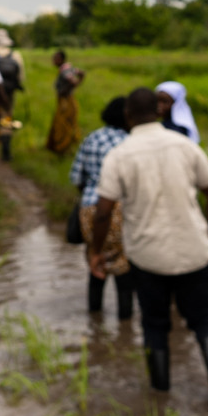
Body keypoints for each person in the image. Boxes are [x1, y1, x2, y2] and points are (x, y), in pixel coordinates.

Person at [92, 87, 208, 413]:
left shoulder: (120, 155)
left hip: (148, 256)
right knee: (206, 322)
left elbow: (102, 211)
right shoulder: (185, 146)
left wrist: (96, 252)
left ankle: (160, 395)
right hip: (194, 251)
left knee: (155, 325)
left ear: (127, 116)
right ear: (158, 111)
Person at [70, 96, 133, 320]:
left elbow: (77, 177)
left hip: (89, 208)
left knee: (96, 261)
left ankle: (94, 322)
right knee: (123, 268)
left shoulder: (91, 139)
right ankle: (125, 327)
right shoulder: (130, 142)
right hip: (121, 210)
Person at [45, 50, 86, 156]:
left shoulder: (65, 71)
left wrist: (70, 87)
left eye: (56, 59)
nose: (54, 61)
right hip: (67, 100)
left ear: (62, 59)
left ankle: (62, 149)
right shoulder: (69, 68)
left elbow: (72, 81)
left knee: (63, 125)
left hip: (66, 101)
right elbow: (81, 73)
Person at [0, 28, 25, 116]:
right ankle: (7, 125)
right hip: (10, 88)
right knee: (8, 108)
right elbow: (20, 75)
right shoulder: (15, 54)